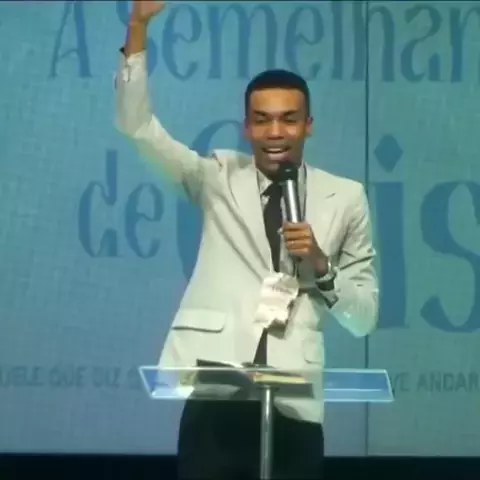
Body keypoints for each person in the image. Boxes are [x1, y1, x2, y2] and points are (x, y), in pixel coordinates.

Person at [115, 1, 379, 478]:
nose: (275, 132)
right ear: (247, 126)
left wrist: (321, 265)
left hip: (295, 399)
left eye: (289, 119)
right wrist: (137, 29)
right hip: (216, 395)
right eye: (262, 119)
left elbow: (364, 318)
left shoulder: (345, 197)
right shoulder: (217, 176)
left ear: (308, 125)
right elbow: (139, 129)